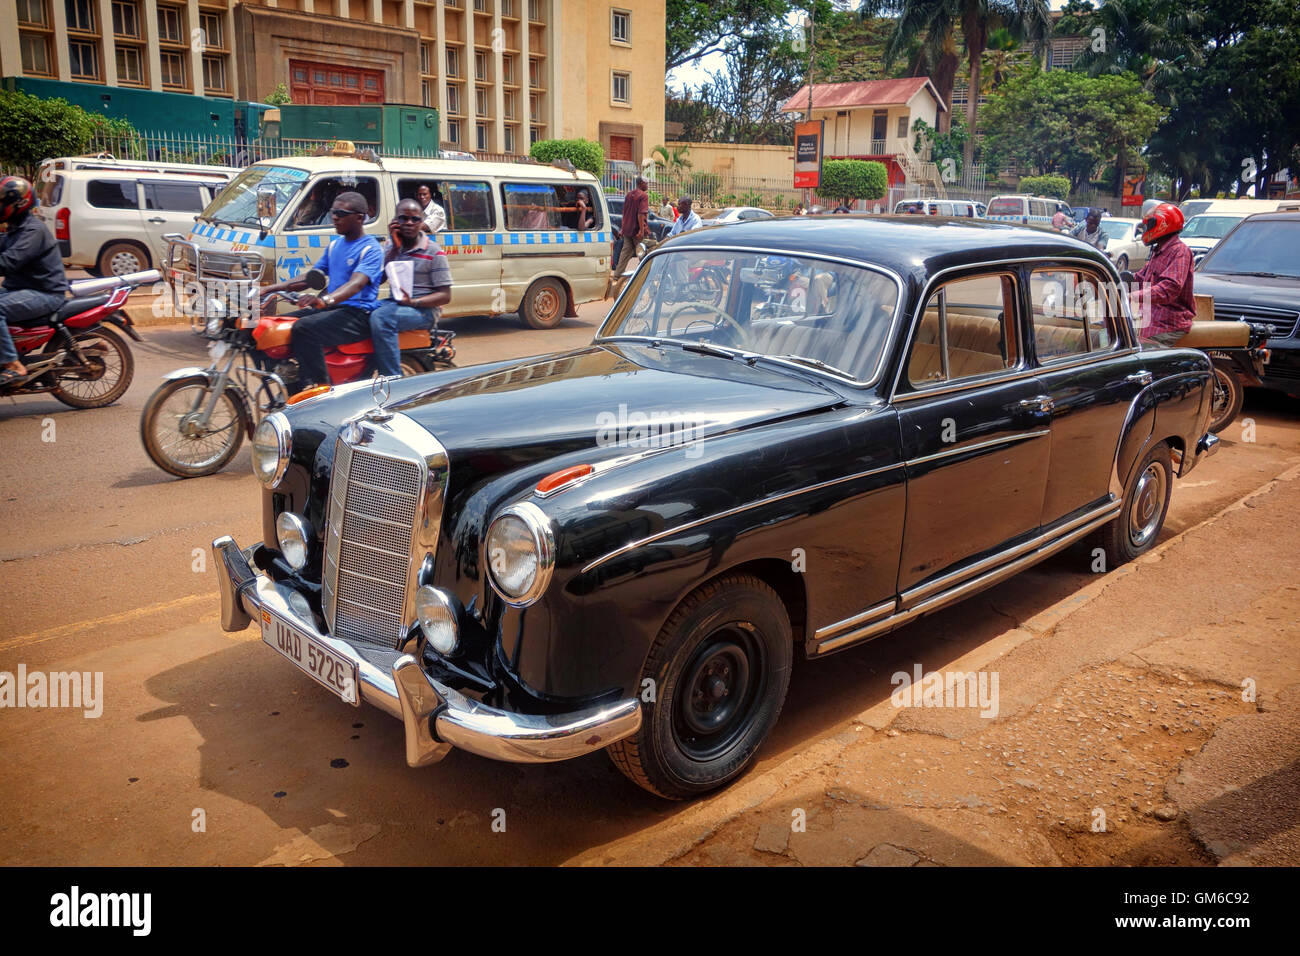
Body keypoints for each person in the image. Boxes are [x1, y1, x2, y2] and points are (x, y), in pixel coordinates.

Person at [259, 190, 384, 390]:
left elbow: (356, 283)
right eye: (333, 212)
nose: (334, 217)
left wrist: (325, 300)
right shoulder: (335, 246)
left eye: (341, 214)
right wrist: (269, 289)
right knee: (267, 328)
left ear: (359, 218)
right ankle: (290, 385)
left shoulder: (371, 249)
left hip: (357, 314)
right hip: (332, 309)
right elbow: (310, 277)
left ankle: (319, 388)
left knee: (304, 328)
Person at [367, 198, 453, 377]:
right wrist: (394, 250)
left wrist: (413, 302)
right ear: (395, 222)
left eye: (415, 219)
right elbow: (380, 279)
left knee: (380, 318)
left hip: (424, 311)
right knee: (361, 310)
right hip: (396, 304)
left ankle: (392, 378)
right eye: (403, 218)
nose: (409, 223)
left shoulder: (434, 252)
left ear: (422, 222)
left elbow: (445, 295)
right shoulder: (391, 246)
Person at [0, 176, 68, 387]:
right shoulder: (14, 228)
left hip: (45, 294)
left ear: (18, 204)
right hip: (20, 290)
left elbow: (9, 262)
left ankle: (13, 364)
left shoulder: (32, 230)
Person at [1131, 202, 1195, 347]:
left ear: (1162, 224)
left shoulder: (1180, 251)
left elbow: (1169, 288)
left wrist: (1134, 296)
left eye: (1150, 225)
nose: (1146, 230)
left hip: (1167, 323)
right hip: (1150, 318)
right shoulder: (1158, 251)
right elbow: (1140, 278)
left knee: (1139, 356)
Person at [609, 175, 649, 298]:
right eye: (646, 183)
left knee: (625, 253)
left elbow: (625, 213)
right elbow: (641, 214)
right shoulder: (643, 196)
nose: (647, 186)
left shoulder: (629, 195)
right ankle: (644, 276)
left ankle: (617, 275)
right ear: (641, 183)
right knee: (645, 253)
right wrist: (641, 230)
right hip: (637, 231)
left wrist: (623, 228)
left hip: (627, 229)